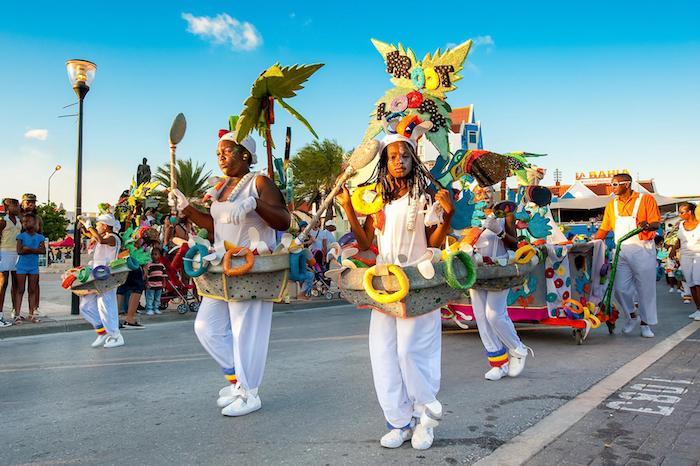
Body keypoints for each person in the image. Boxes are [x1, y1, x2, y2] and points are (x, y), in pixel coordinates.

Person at [337, 133, 454, 450]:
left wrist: (449, 214)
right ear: (384, 162)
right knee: (383, 353)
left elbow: (433, 243)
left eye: (405, 155)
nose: (399, 161)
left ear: (413, 160)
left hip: (416, 283)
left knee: (410, 352)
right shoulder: (377, 198)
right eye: (392, 156)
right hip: (384, 284)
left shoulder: (425, 197)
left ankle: (426, 415)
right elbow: (365, 245)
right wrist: (349, 208)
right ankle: (399, 422)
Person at [169, 130, 290, 417]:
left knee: (245, 331)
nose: (221, 157)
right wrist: (186, 207)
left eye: (227, 151)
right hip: (221, 266)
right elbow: (214, 229)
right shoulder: (221, 187)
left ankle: (250, 393)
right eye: (218, 153)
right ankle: (238, 380)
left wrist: (255, 204)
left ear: (244, 154)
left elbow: (283, 220)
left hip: (252, 268)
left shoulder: (258, 181)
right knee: (206, 327)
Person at [468, 186, 533, 381]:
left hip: (500, 269)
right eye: (479, 192)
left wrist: (499, 231)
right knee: (481, 317)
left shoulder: (506, 213)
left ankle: (517, 347)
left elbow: (515, 244)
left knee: (494, 314)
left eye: (487, 191)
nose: (484, 195)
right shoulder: (471, 215)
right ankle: (498, 362)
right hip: (477, 269)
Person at [594, 173, 661, 338]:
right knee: (619, 288)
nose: (612, 187)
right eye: (612, 184)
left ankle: (646, 324)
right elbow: (604, 228)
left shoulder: (645, 200)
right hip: (621, 250)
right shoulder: (612, 205)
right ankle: (633, 316)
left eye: (615, 184)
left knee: (645, 289)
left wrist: (648, 226)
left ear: (627, 184)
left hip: (642, 249)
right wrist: (591, 242)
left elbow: (656, 222)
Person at [78, 214, 125, 348]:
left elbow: (100, 240)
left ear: (105, 226)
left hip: (108, 276)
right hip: (97, 275)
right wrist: (83, 224)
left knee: (106, 305)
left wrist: (89, 225)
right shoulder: (104, 237)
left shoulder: (113, 238)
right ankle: (102, 330)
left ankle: (115, 335)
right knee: (86, 306)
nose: (97, 227)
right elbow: (91, 235)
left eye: (98, 225)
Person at [14, 213, 45, 323]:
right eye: (24, 222)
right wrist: (33, 250)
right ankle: (17, 314)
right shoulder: (20, 236)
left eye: (29, 221)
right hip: (21, 267)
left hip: (33, 267)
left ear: (35, 223)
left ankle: (31, 314)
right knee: (20, 290)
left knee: (32, 290)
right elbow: (20, 251)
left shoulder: (40, 237)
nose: (26, 223)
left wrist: (29, 249)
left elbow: (43, 251)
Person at [673, 202, 700, 320]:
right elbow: (679, 240)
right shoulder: (680, 225)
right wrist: (673, 250)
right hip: (685, 256)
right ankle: (698, 309)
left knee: (698, 281)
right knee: (691, 284)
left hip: (698, 255)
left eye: (682, 212)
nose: (679, 214)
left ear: (690, 212)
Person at [0, 198, 21, 326]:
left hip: (16, 254)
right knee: (3, 283)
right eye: (15, 206)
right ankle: (0, 315)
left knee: (16, 284)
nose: (18, 208)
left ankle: (15, 312)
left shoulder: (19, 220)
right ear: (8, 207)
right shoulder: (3, 222)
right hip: (4, 252)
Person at [144, 247, 166, 316]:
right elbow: (147, 275)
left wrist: (164, 283)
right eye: (152, 254)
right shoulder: (149, 265)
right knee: (150, 297)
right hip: (151, 285)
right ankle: (149, 309)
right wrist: (147, 283)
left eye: (155, 254)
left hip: (159, 285)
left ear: (159, 255)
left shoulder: (161, 266)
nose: (154, 256)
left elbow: (164, 276)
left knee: (157, 298)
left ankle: (156, 308)